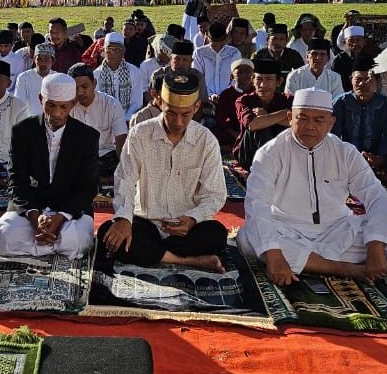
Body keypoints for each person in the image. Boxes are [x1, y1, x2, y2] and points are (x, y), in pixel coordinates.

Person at [238, 88, 387, 286]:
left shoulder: (345, 152)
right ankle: (344, 268)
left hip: (336, 230)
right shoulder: (270, 153)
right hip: (287, 230)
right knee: (247, 238)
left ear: (331, 123)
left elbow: (376, 196)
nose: (310, 126)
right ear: (289, 118)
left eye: (319, 120)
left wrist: (374, 246)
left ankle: (309, 262)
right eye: (302, 118)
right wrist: (274, 255)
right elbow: (257, 203)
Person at [98, 71, 229, 273]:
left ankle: (157, 255)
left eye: (185, 114)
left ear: (196, 107)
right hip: (146, 221)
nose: (177, 121)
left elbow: (215, 194)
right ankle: (190, 261)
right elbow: (125, 180)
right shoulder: (140, 134)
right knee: (108, 234)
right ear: (159, 102)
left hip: (186, 226)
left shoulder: (206, 140)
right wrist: (124, 219)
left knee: (217, 234)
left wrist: (193, 218)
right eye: (171, 113)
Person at [0, 73, 98, 259]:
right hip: (31, 207)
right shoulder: (23, 131)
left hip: (70, 211)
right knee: (4, 237)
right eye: (51, 105)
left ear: (73, 104)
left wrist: (60, 217)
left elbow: (88, 187)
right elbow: (17, 179)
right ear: (41, 99)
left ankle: (38, 245)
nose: (56, 113)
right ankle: (50, 244)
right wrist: (34, 218)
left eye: (63, 107)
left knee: (77, 241)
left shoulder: (87, 136)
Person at [331, 57, 387, 177]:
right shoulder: (340, 103)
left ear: (377, 82)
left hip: (376, 157)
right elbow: (334, 136)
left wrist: (380, 158)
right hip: (346, 157)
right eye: (358, 79)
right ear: (351, 80)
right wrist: (348, 156)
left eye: (368, 79)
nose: (363, 84)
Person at [67, 63, 128, 179]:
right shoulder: (68, 106)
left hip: (105, 156)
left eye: (84, 87)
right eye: (75, 88)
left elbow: (121, 139)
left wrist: (124, 168)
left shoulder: (111, 104)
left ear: (94, 84)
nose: (80, 92)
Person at [233, 59, 291, 171]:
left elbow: (296, 123)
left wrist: (267, 115)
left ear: (279, 82)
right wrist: (284, 114)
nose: (263, 85)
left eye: (269, 79)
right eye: (259, 79)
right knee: (261, 128)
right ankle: (269, 168)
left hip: (282, 154)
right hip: (250, 154)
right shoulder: (243, 101)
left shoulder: (287, 100)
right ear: (253, 80)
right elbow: (252, 125)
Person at [95, 32, 148, 117]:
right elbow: (96, 104)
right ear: (103, 50)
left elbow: (136, 102)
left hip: (128, 120)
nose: (113, 53)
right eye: (109, 48)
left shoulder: (134, 72)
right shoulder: (96, 74)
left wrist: (125, 120)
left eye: (117, 49)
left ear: (123, 51)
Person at [213, 59, 256, 153]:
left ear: (253, 75)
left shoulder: (257, 93)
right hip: (232, 132)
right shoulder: (226, 94)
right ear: (232, 76)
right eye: (240, 72)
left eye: (247, 71)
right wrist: (235, 134)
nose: (244, 75)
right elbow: (221, 119)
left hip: (253, 130)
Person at [193, 22, 238, 99]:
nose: (217, 48)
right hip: (204, 97)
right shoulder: (199, 53)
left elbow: (236, 78)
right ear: (208, 38)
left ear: (226, 39)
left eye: (221, 45)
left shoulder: (234, 53)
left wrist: (225, 94)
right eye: (213, 45)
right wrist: (210, 94)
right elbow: (198, 77)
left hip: (229, 97)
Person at [14, 42, 55, 115]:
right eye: (39, 59)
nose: (42, 63)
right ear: (34, 60)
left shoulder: (57, 78)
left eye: (46, 60)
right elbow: (19, 104)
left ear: (53, 61)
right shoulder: (24, 77)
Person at [331, 26, 367, 91]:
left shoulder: (370, 59)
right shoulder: (339, 60)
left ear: (364, 42)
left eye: (358, 40)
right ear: (345, 42)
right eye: (351, 40)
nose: (355, 44)